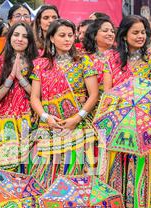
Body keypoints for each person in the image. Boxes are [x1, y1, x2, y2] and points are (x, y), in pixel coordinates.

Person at [99, 15, 151, 208]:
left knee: (140, 175)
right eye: (135, 32)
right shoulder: (111, 58)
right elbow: (107, 93)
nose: (140, 36)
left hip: (144, 125)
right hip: (118, 123)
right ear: (124, 35)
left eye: (143, 32)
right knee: (116, 174)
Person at [29, 19, 99, 188]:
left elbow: (94, 95)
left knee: (74, 173)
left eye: (70, 35)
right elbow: (34, 98)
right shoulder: (41, 65)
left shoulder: (83, 62)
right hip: (49, 127)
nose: (67, 39)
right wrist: (46, 118)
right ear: (51, 38)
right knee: (44, 174)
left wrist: (77, 118)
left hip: (77, 126)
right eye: (62, 35)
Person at [0, 22, 38, 173]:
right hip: (4, 120)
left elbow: (36, 95)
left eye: (25, 36)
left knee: (27, 166)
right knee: (5, 168)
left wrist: (21, 78)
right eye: (16, 35)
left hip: (28, 118)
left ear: (30, 41)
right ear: (9, 38)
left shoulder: (36, 62)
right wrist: (10, 77)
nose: (20, 39)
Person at [82, 18, 114, 94]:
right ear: (94, 35)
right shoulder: (86, 59)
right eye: (105, 31)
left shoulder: (119, 57)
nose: (110, 34)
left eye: (112, 31)